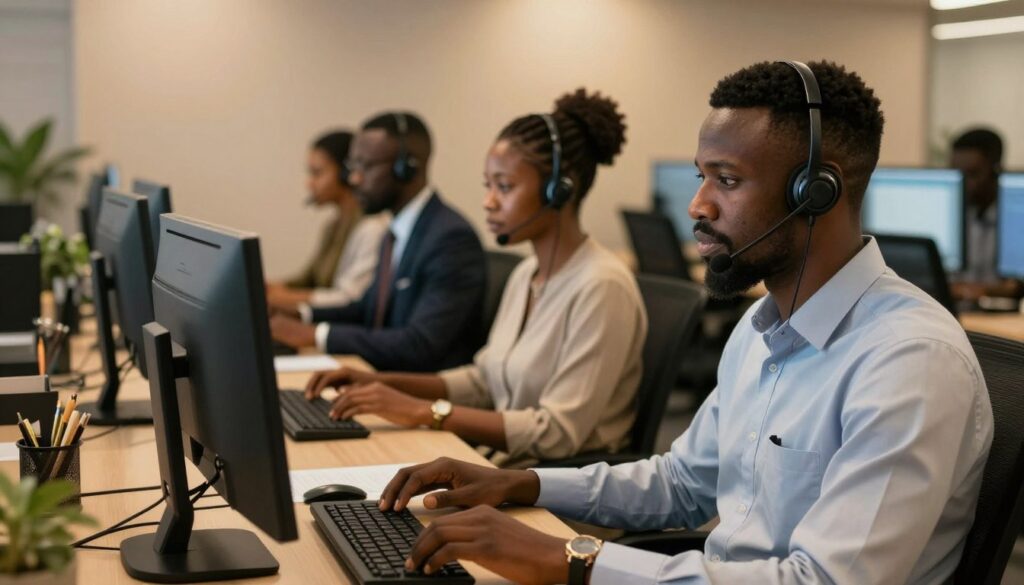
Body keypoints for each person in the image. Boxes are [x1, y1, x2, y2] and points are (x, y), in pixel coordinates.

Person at [376, 61, 994, 584]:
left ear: (816, 192)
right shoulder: (760, 325)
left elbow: (822, 581)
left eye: (727, 181)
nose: (697, 205)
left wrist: (573, 560)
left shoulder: (908, 360)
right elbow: (680, 483)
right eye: (703, 177)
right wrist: (521, 485)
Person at [304, 90, 647, 468]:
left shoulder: (602, 285)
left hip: (564, 493)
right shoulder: (525, 274)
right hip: (504, 469)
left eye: (505, 186)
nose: (489, 201)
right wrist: (383, 383)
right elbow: (485, 381)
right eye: (488, 186)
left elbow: (557, 433)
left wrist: (424, 411)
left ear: (558, 190)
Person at [270, 112, 486, 372]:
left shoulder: (450, 238)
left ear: (406, 168)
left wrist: (317, 335)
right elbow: (367, 309)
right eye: (353, 166)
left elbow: (420, 344)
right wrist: (301, 314)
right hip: (379, 379)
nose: (354, 179)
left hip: (418, 394)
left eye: (367, 166)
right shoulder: (395, 231)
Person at [266, 130, 389, 313]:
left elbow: (349, 298)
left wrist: (279, 298)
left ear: (346, 174)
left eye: (317, 173)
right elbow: (308, 279)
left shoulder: (372, 227)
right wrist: (266, 288)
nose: (310, 183)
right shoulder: (332, 226)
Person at [948, 128, 1023, 302]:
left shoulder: (1015, 216)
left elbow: (1017, 284)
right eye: (955, 174)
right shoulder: (952, 214)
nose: (962, 183)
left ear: (996, 171)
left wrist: (982, 290)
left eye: (972, 174)